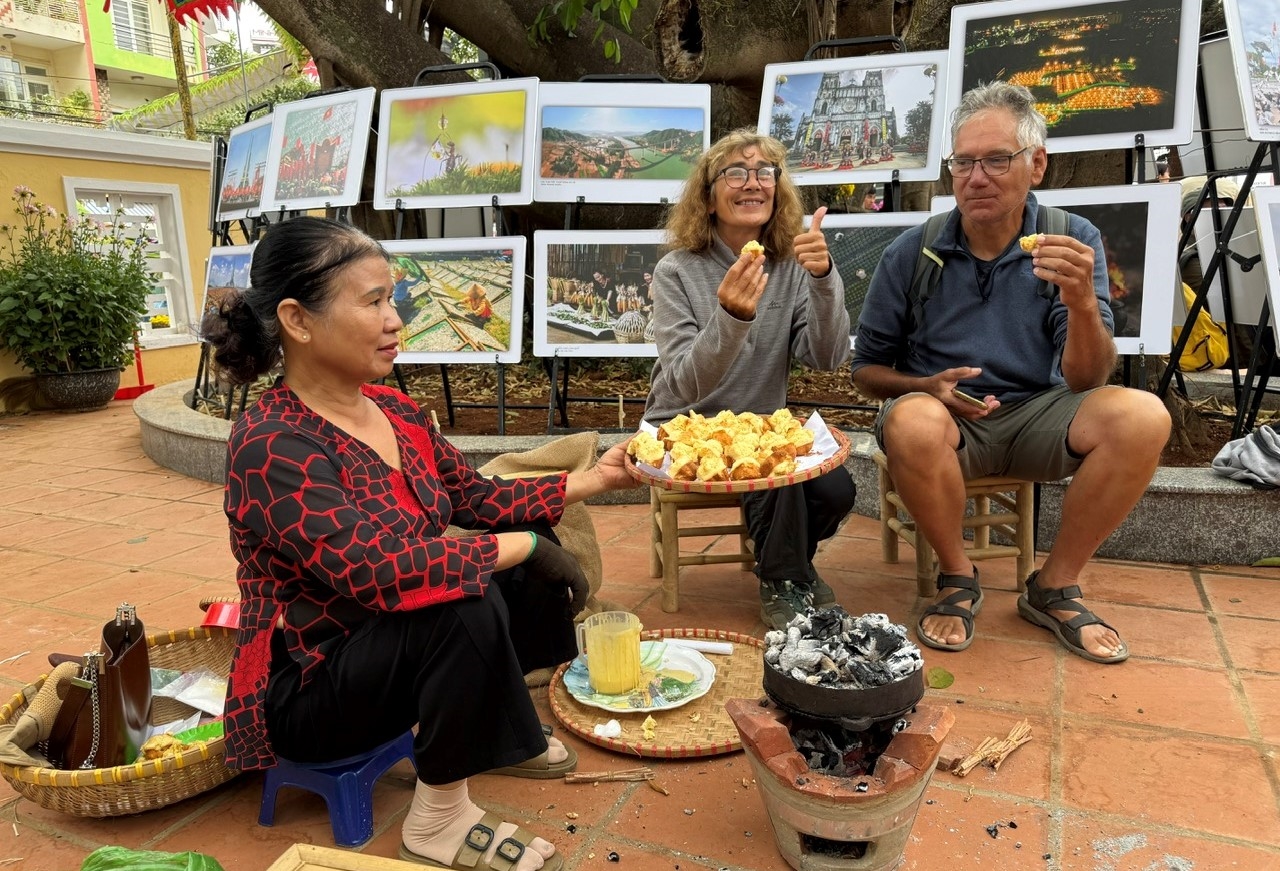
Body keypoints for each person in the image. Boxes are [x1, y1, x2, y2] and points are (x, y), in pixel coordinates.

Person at [201, 216, 639, 871]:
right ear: (297, 319)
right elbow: (381, 571)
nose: (395, 317)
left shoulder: (396, 412)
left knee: (516, 556)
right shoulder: (272, 444)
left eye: (393, 297)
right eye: (372, 300)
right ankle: (437, 819)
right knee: (459, 598)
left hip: (385, 650)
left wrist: (593, 478)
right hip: (313, 686)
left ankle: (502, 728)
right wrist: (519, 548)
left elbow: (476, 498)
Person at [850, 82, 1170, 664]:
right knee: (914, 422)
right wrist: (927, 386)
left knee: (1142, 415)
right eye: (964, 162)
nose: (977, 177)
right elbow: (865, 371)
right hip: (948, 422)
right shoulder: (912, 251)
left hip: (1039, 412)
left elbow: (1087, 379)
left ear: (1036, 164)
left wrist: (1079, 303)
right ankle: (958, 576)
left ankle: (1054, 586)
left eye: (997, 159)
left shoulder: (1069, 239)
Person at [644, 128, 857, 631]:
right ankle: (784, 581)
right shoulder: (677, 270)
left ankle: (794, 565)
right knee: (775, 471)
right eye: (735, 173)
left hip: (761, 426)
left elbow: (826, 358)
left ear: (777, 190)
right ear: (709, 195)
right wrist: (732, 317)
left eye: (765, 172)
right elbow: (682, 383)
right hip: (684, 429)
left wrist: (825, 279)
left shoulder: (790, 265)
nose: (752, 183)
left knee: (837, 492)